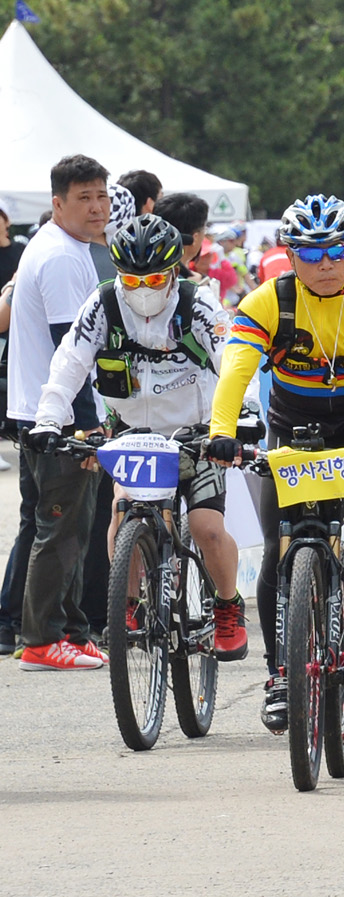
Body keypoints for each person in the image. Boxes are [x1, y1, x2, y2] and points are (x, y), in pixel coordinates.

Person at [208, 193, 344, 728]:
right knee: (277, 539)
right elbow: (235, 368)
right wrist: (221, 432)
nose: (325, 265)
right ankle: (279, 674)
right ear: (290, 255)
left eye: (335, 252)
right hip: (293, 416)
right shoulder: (265, 302)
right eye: (310, 254)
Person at [28, 212, 248, 663]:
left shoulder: (198, 303)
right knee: (122, 512)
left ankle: (227, 605)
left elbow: (232, 358)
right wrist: (49, 419)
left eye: (153, 278)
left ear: (172, 271)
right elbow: (71, 361)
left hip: (197, 432)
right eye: (131, 278)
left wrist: (241, 419)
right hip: (134, 432)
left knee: (206, 528)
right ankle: (128, 604)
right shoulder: (103, 304)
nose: (142, 288)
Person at [6, 153, 115, 668]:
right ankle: (42, 640)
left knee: (67, 525)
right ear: (57, 203)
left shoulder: (58, 244)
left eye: (102, 196)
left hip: (40, 411)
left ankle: (69, 630)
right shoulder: (63, 258)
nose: (97, 208)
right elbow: (70, 349)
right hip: (58, 416)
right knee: (60, 529)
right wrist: (88, 423)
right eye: (84, 198)